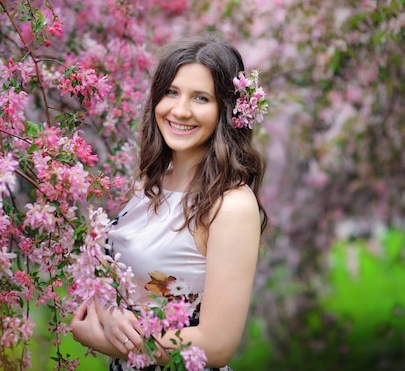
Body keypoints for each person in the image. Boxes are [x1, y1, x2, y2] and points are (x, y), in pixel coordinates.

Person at [70, 34, 267, 371]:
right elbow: (114, 276)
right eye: (171, 92)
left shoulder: (231, 205)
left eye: (201, 98)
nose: (179, 110)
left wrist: (101, 339)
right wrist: (110, 313)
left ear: (227, 110)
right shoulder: (148, 183)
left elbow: (216, 346)